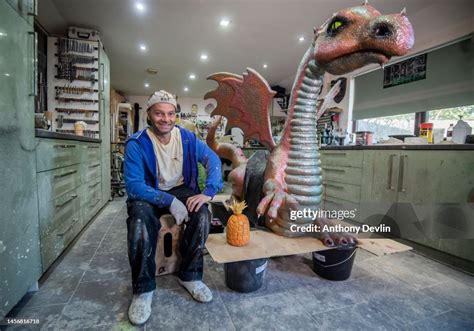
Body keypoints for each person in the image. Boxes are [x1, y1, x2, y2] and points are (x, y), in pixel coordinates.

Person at [123, 90, 223, 325]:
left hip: (181, 188)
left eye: (170, 113)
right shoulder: (137, 143)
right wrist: (169, 202)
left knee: (202, 215)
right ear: (149, 114)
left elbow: (213, 160)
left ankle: (190, 275)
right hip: (149, 190)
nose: (165, 119)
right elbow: (135, 185)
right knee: (139, 222)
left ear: (175, 115)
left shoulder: (187, 139)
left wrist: (208, 193)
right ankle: (143, 289)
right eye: (159, 113)